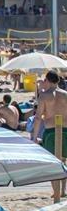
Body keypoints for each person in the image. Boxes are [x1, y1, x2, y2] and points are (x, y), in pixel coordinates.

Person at [33, 71, 67, 201]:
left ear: (47, 81)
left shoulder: (44, 96)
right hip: (66, 129)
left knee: (54, 162)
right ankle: (63, 190)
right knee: (63, 160)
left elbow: (37, 118)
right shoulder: (65, 95)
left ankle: (56, 191)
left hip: (51, 131)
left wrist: (34, 137)